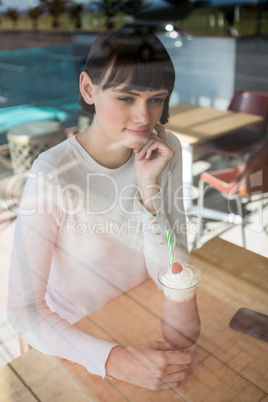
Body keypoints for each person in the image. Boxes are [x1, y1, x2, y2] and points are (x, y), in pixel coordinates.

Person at [7, 26, 197, 391]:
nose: (144, 117)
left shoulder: (164, 150)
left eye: (156, 99)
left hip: (144, 315)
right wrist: (113, 360)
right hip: (77, 339)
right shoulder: (53, 173)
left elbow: (171, 268)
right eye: (126, 98)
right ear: (88, 89)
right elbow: (23, 309)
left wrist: (148, 191)